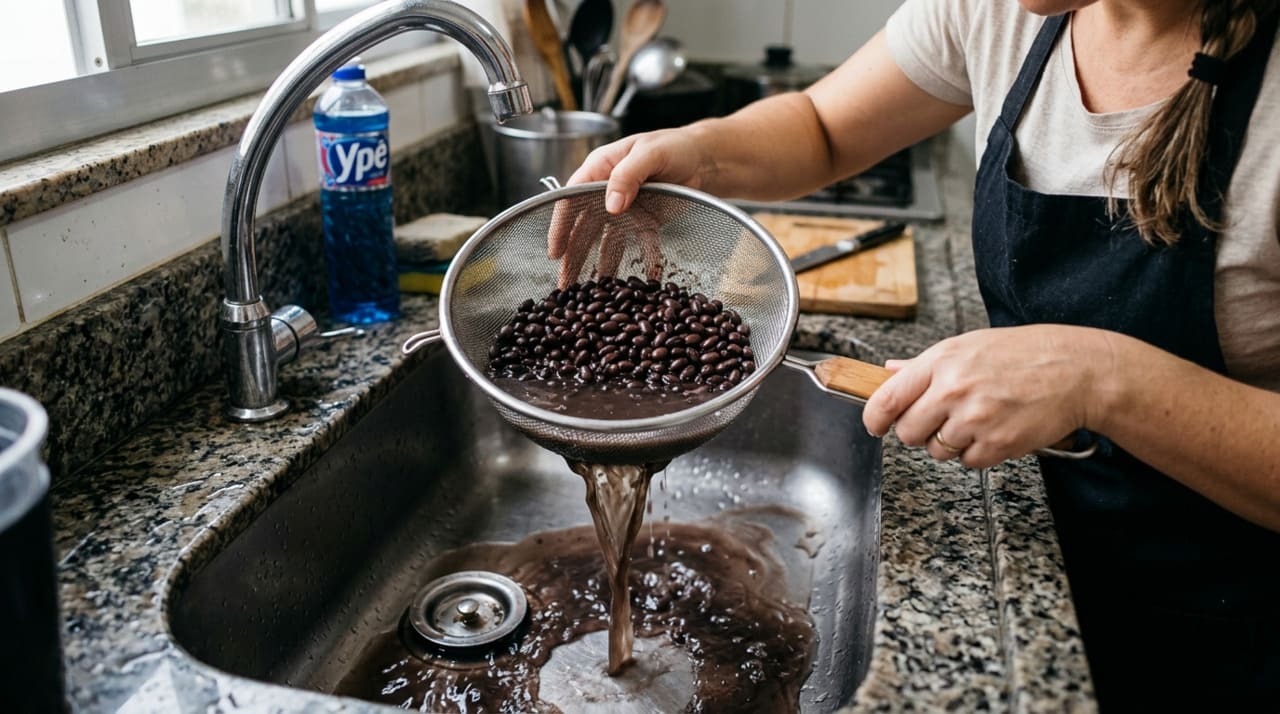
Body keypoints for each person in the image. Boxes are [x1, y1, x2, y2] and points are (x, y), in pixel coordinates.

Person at [554, 0, 1280, 708]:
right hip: (1025, 548)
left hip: (1223, 624)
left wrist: (1101, 377)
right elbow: (822, 128)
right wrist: (700, 153)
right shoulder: (997, 14)